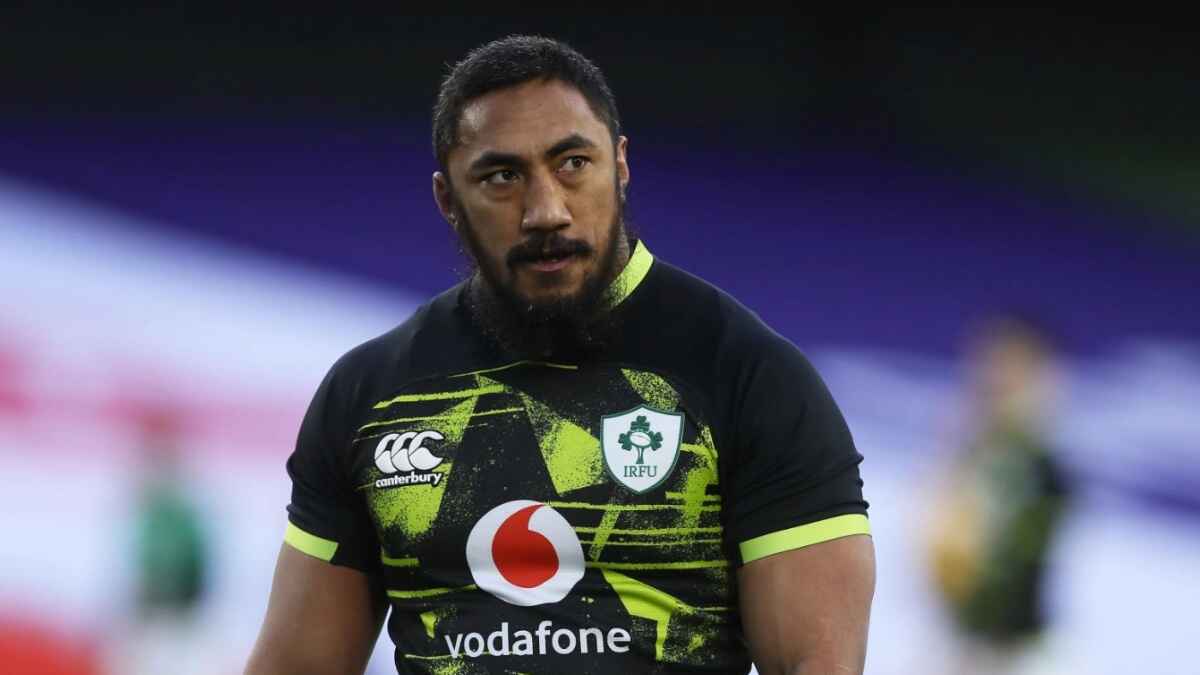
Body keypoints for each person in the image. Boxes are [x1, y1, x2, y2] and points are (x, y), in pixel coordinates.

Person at [246, 35, 874, 675]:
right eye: (502, 177)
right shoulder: (372, 395)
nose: (546, 211)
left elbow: (815, 663)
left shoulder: (751, 376)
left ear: (620, 165)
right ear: (447, 200)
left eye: (572, 163)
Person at [925, 315, 1071, 675]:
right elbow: (944, 557)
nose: (997, 381)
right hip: (964, 645)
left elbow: (1015, 565)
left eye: (1014, 371)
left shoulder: (1038, 469)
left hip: (1015, 650)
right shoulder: (968, 458)